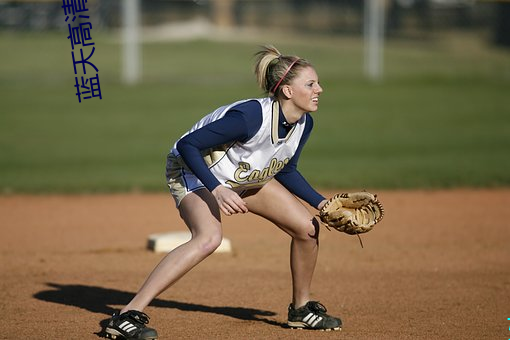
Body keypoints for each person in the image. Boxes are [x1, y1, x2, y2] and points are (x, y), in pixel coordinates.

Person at [105, 45, 342, 340]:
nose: (320, 88)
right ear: (288, 92)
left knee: (307, 228)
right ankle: (126, 315)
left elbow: (286, 169)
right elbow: (187, 146)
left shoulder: (303, 123)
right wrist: (216, 189)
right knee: (209, 238)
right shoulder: (249, 117)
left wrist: (323, 204)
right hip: (193, 172)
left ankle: (302, 309)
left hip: (241, 177)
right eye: (310, 84)